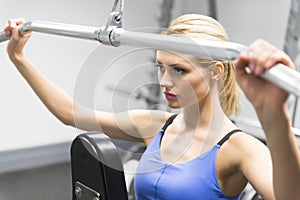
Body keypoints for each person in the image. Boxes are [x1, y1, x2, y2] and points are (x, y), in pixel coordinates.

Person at [3, 14, 300, 200]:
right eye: (160, 67)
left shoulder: (239, 148)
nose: (165, 81)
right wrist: (19, 59)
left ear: (217, 71)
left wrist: (274, 115)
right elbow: (70, 113)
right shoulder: (156, 124)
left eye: (179, 70)